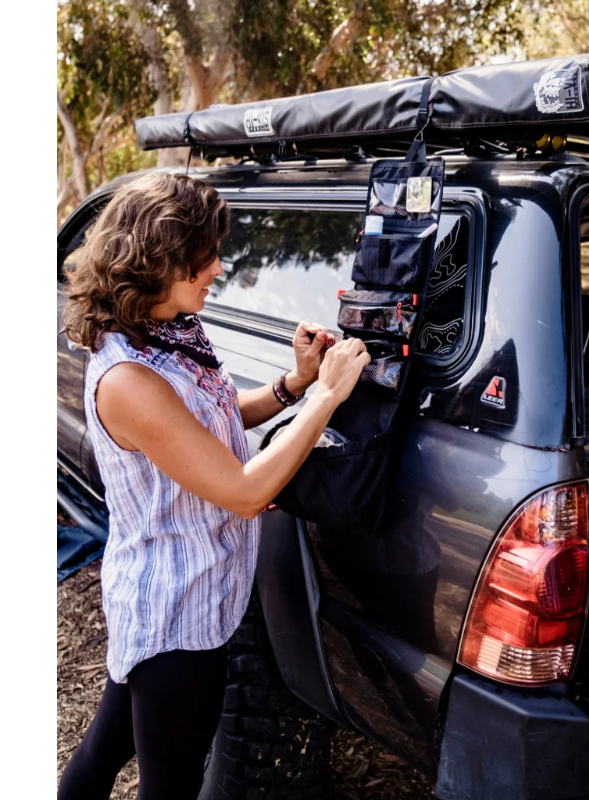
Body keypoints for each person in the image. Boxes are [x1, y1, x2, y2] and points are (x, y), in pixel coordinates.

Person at [57, 173, 370, 800]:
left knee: (102, 752)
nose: (219, 267)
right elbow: (243, 489)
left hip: (171, 593)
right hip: (175, 614)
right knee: (167, 786)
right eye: (204, 257)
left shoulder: (166, 336)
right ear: (158, 261)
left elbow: (217, 419)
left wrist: (296, 383)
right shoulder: (128, 380)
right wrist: (331, 397)